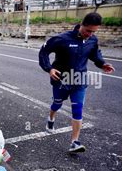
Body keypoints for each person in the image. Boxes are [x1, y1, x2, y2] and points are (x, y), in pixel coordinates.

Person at [38, 12, 115, 153]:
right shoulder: (62, 39)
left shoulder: (92, 40)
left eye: (93, 31)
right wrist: (49, 69)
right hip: (61, 79)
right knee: (57, 103)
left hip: (79, 80)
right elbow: (44, 52)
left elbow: (95, 55)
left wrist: (102, 64)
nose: (90, 34)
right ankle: (50, 117)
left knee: (78, 110)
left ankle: (75, 142)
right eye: (88, 31)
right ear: (81, 25)